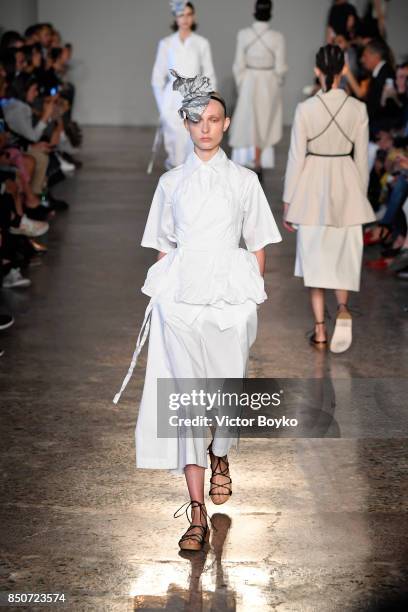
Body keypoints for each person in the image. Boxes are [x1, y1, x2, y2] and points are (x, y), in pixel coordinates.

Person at [114, 71, 281, 551]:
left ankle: (222, 451)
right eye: (196, 120)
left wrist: (252, 297)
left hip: (231, 299)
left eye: (212, 119)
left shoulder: (245, 182)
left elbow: (258, 245)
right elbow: (163, 249)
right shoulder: (170, 184)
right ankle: (195, 514)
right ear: (185, 125)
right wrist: (159, 299)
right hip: (181, 299)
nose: (204, 127)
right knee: (184, 401)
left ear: (225, 124)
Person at [282, 44, 376, 354]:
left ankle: (320, 330)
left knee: (314, 259)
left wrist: (289, 201)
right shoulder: (357, 109)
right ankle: (344, 309)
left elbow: (296, 157)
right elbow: (362, 160)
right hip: (346, 182)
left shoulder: (305, 109)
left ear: (317, 70)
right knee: (344, 256)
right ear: (343, 69)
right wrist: (357, 196)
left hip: (312, 185)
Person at [151, 1, 217, 169]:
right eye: (181, 15)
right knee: (174, 151)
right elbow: (157, 78)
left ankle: (191, 192)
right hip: (172, 101)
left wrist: (210, 104)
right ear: (175, 17)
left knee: (193, 149)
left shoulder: (202, 43)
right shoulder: (166, 43)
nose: (185, 19)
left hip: (196, 100)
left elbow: (209, 75)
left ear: (193, 16)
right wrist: (163, 108)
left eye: (188, 14)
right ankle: (175, 191)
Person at [229, 0, 287, 180]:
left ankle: (247, 163)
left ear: (254, 12)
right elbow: (281, 68)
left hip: (249, 79)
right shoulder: (277, 37)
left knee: (248, 120)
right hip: (268, 82)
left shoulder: (244, 34)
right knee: (264, 123)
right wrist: (275, 81)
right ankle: (258, 161)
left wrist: (242, 83)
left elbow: (238, 65)